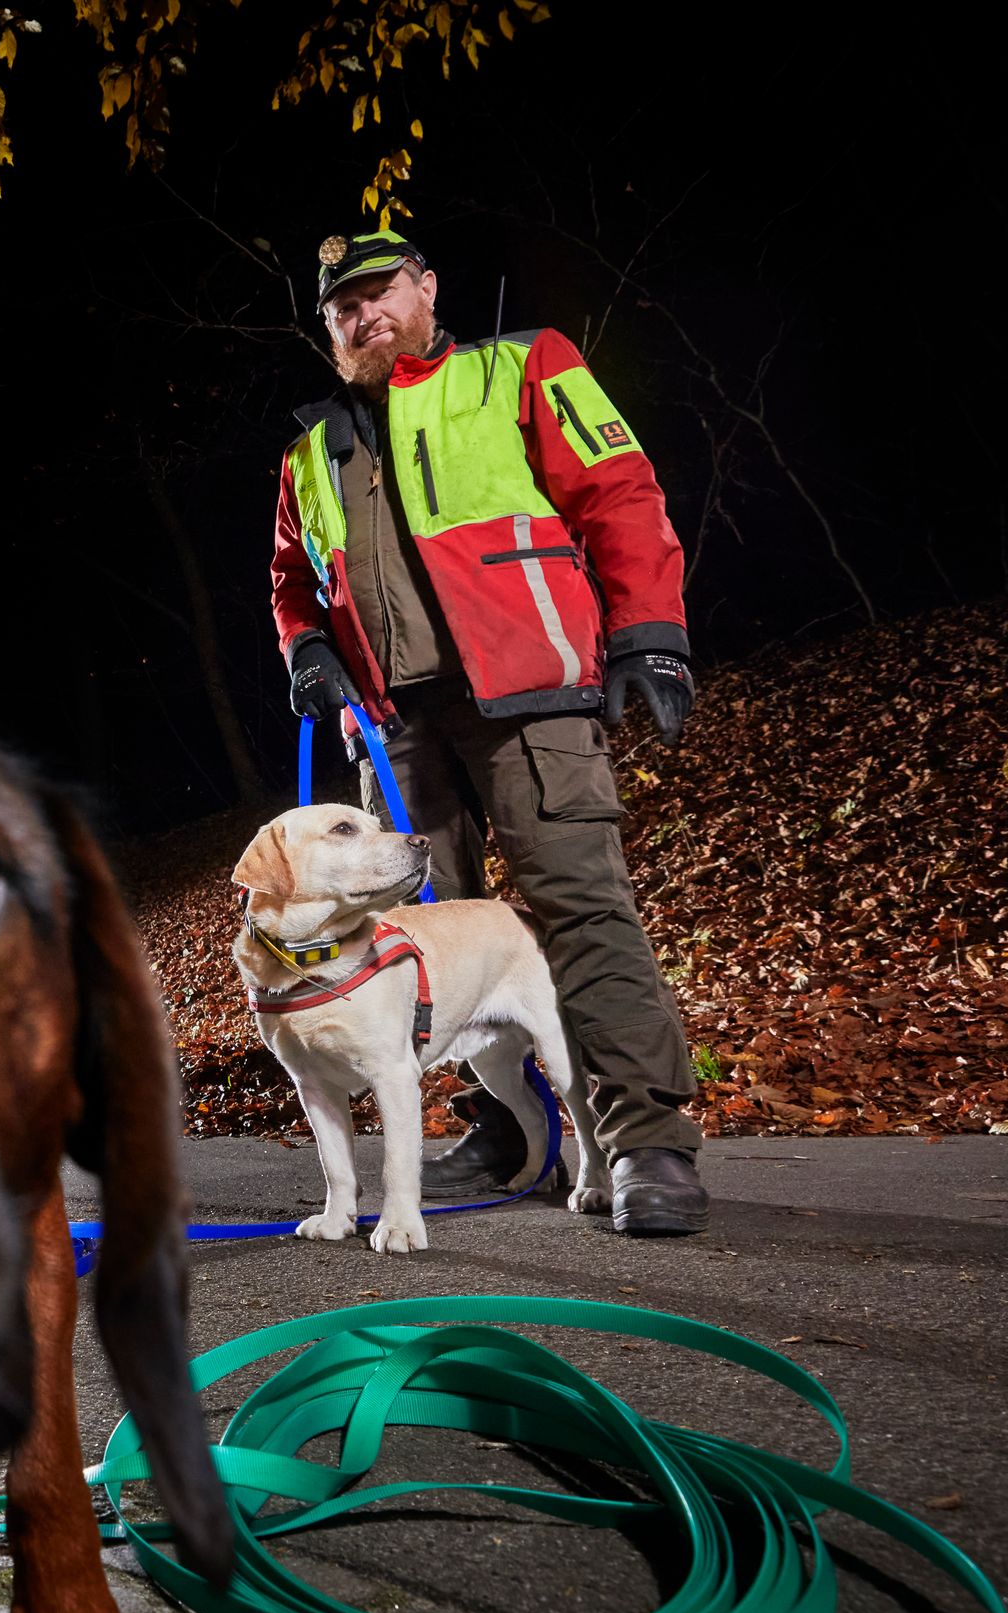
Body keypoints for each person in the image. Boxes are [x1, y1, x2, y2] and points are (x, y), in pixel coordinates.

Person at [264, 229, 708, 1236]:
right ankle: (506, 1129)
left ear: (425, 289)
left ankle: (644, 1141)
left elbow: (618, 491)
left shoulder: (519, 368)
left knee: (580, 915)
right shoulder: (306, 452)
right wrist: (305, 654)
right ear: (326, 326)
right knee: (421, 940)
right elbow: (292, 584)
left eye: (381, 292)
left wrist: (648, 632)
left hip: (525, 699)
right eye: (342, 305)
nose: (363, 314)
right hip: (396, 731)